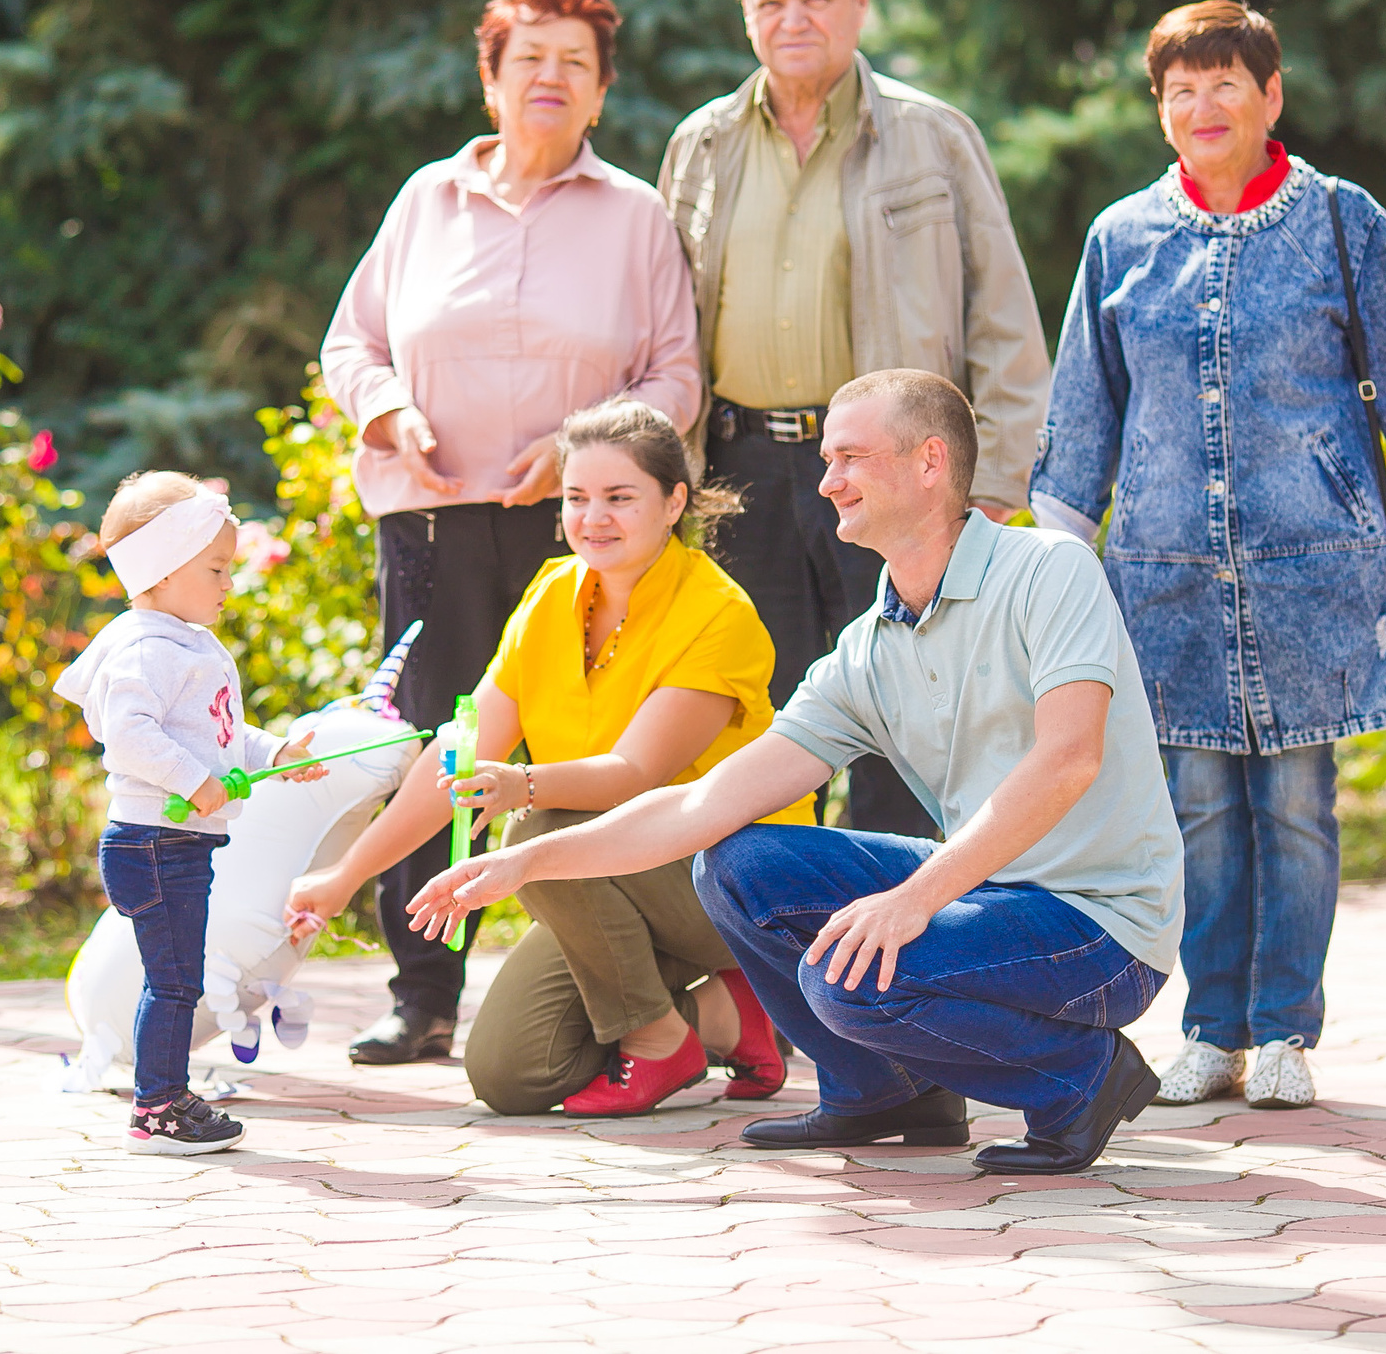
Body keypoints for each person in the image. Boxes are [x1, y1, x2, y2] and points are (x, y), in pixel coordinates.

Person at [406, 371, 1183, 1178]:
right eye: (825, 458)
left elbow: (1069, 759)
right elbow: (706, 801)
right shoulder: (870, 650)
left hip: (1103, 926)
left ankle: (1079, 1078)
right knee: (738, 863)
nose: (826, 480)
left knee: (846, 979)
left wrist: (912, 899)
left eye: (849, 456)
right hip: (989, 893)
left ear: (929, 462)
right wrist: (525, 859)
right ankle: (880, 1090)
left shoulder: (1047, 569)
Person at [1027, 0, 1386, 1113]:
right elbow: (1085, 409)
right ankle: (1210, 1033)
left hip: (1312, 575)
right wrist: (1054, 554)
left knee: (1293, 808)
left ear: (1269, 97)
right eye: (1179, 90)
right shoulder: (1120, 239)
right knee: (1201, 815)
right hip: (1168, 583)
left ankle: (1284, 1031)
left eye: (1225, 82)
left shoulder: (1340, 222)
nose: (1202, 106)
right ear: (1160, 112)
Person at [321, 0, 702, 1065]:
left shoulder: (633, 217)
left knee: (581, 752)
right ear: (490, 81)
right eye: (528, 58)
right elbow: (352, 343)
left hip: (581, 535)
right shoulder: (424, 201)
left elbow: (676, 375)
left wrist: (585, 446)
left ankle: (617, 983)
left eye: (573, 65)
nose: (549, 77)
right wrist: (385, 410)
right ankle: (423, 991)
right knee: (436, 751)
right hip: (435, 527)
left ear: (599, 95)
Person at [286, 401, 811, 1117]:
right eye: (576, 497)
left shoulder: (719, 612)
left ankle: (660, 1036)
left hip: (728, 879)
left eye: (620, 497)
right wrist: (344, 875)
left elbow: (635, 774)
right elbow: (460, 753)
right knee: (510, 1072)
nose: (593, 517)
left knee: (533, 830)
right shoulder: (549, 594)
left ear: (675, 501)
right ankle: (729, 1013)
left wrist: (521, 785)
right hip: (606, 876)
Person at [658, 0, 1051, 838]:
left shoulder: (933, 135)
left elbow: (1004, 323)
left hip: (893, 475)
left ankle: (900, 959)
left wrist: (987, 491)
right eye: (771, 1)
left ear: (860, 1)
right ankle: (770, 969)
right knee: (758, 728)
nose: (792, 20)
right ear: (745, 8)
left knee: (904, 727)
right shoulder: (701, 145)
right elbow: (667, 326)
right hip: (740, 474)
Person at [54, 471, 325, 1154]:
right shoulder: (147, 648)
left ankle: (163, 1095)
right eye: (215, 568)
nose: (228, 583)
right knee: (176, 981)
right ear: (164, 569)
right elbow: (131, 734)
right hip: (152, 843)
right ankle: (158, 1107)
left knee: (176, 977)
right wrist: (194, 779)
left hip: (176, 842)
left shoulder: (187, 643)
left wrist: (280, 751)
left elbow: (222, 737)